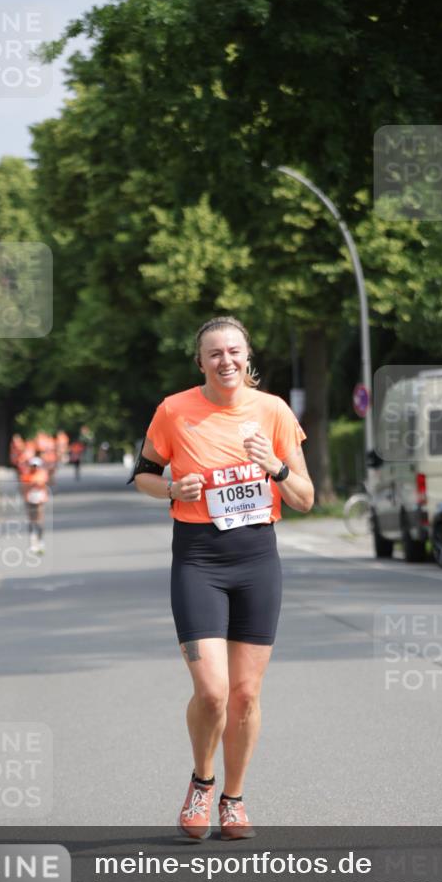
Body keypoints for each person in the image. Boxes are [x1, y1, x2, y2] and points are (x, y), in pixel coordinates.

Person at [133, 316, 314, 840]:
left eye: (234, 351)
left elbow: (305, 498)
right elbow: (142, 474)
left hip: (257, 561)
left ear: (247, 355)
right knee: (212, 692)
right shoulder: (174, 410)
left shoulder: (274, 412)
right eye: (214, 353)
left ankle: (233, 800)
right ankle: (202, 782)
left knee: (245, 695)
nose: (225, 360)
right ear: (201, 362)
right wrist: (171, 488)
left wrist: (276, 466)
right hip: (198, 561)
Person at [19, 456, 49, 553]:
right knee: (31, 521)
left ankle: (40, 541)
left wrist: (33, 484)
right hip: (29, 499)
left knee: (39, 521)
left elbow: (41, 484)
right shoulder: (26, 475)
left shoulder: (42, 474)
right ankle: (33, 543)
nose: (34, 467)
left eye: (36, 466)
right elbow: (24, 487)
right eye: (33, 466)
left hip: (39, 499)